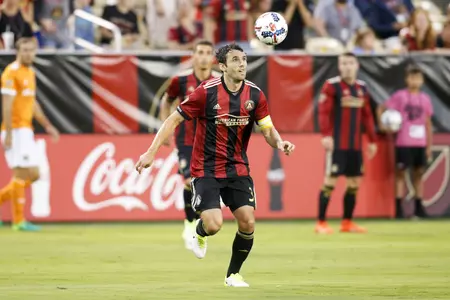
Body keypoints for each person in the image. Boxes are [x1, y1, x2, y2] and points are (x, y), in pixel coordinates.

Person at [136, 43, 295, 287]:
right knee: (214, 225)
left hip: (238, 168)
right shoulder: (205, 92)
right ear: (222, 66)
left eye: (243, 59)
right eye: (235, 60)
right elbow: (173, 119)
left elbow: (267, 130)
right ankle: (199, 232)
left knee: (248, 222)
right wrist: (150, 152)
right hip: (205, 169)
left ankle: (233, 275)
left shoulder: (255, 95)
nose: (242, 64)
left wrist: (280, 142)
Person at [159, 40, 216, 249]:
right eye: (200, 52)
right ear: (193, 55)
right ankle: (189, 224)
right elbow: (166, 101)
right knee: (189, 181)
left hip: (211, 143)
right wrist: (165, 126)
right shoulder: (180, 81)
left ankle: (198, 223)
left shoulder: (219, 81)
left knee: (205, 185)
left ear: (212, 58)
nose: (203, 56)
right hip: (186, 140)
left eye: (208, 53)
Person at [0, 37, 59, 231]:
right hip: (15, 130)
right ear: (18, 51)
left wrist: (47, 125)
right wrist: (8, 132)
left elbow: (32, 103)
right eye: (24, 50)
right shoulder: (11, 72)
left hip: (26, 130)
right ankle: (18, 221)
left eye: (31, 50)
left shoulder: (30, 72)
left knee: (34, 174)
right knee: (21, 174)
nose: (28, 54)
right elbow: (6, 105)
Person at [316, 52, 377, 234]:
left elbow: (367, 116)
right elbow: (324, 112)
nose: (347, 66)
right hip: (337, 145)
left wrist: (372, 140)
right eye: (344, 63)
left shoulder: (362, 88)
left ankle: (347, 222)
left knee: (354, 183)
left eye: (351, 63)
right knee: (330, 182)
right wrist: (326, 135)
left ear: (357, 65)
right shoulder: (332, 86)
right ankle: (321, 223)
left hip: (355, 146)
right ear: (339, 66)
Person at [377, 65, 432, 219]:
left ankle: (419, 208)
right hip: (404, 141)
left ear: (422, 80)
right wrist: (383, 125)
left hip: (420, 142)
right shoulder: (400, 96)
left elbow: (428, 123)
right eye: (412, 77)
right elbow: (382, 108)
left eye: (418, 78)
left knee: (419, 174)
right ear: (406, 79)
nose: (415, 81)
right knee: (400, 174)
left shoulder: (426, 99)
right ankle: (398, 209)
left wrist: (429, 145)